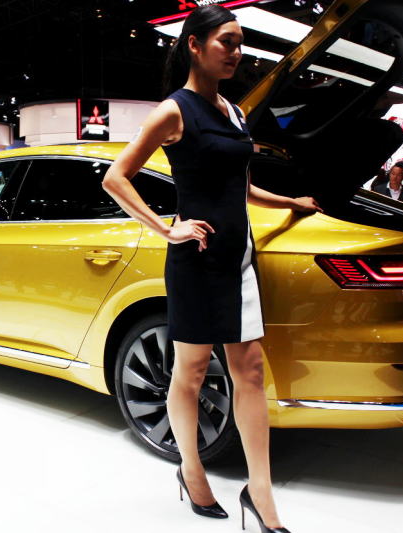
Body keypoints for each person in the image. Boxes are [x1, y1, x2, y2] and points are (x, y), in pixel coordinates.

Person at [102, 6, 319, 531]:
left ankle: (260, 491)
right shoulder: (173, 111)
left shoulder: (235, 112)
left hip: (238, 258)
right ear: (194, 45)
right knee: (192, 371)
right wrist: (167, 228)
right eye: (227, 41)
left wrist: (290, 202)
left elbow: (241, 187)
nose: (237, 52)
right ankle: (192, 468)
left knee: (250, 372)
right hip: (196, 261)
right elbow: (116, 177)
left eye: (240, 43)